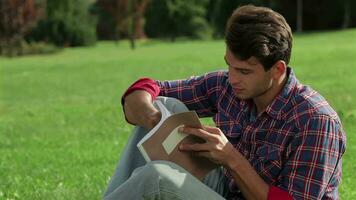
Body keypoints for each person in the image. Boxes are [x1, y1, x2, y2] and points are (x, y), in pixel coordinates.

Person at [104, 5, 346, 200]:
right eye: (229, 65)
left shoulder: (315, 120)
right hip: (227, 192)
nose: (232, 78)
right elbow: (146, 89)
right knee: (165, 103)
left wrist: (232, 158)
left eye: (244, 71)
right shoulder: (226, 86)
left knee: (156, 178)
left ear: (277, 69)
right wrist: (152, 116)